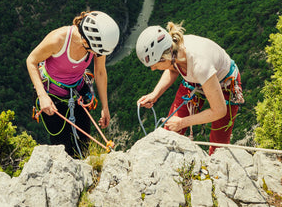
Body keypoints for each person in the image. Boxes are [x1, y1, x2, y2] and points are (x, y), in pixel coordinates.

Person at [136, 22, 244, 154]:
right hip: (193, 80)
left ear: (165, 58)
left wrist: (182, 122)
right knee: (169, 132)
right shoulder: (175, 50)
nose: (153, 69)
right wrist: (155, 94)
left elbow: (219, 110)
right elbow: (173, 70)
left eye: (155, 65)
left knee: (218, 147)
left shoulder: (200, 64)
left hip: (225, 84)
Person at [26, 10, 119, 158]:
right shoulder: (58, 40)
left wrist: (105, 107)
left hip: (78, 91)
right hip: (51, 95)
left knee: (84, 142)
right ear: (85, 41)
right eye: (94, 51)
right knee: (62, 146)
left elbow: (100, 71)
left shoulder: (96, 42)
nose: (97, 54)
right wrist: (42, 96)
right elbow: (31, 60)